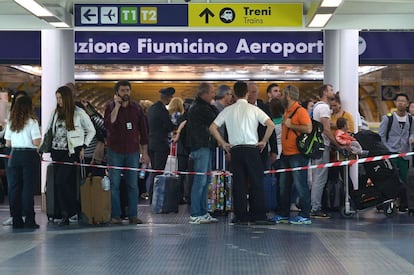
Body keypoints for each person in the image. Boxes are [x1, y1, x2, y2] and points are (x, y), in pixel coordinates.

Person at [210, 81, 274, 225]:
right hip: (252, 150)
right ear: (246, 93)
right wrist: (263, 141)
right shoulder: (254, 109)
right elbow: (270, 124)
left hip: (236, 150)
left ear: (234, 94)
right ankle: (258, 215)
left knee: (239, 184)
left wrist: (223, 143)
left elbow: (213, 127)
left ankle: (241, 216)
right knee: (256, 183)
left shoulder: (228, 110)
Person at [45, 86, 96, 226]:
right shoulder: (55, 113)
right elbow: (50, 130)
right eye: (57, 98)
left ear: (66, 98)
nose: (59, 101)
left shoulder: (79, 113)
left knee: (62, 181)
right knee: (59, 183)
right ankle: (65, 213)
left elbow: (91, 130)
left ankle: (71, 211)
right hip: (56, 152)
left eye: (60, 98)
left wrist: (83, 146)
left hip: (71, 152)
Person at [104, 80, 150, 225]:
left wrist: (145, 153)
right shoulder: (109, 107)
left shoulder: (136, 108)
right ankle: (116, 215)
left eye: (127, 90)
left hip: (132, 151)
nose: (126, 93)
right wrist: (117, 106)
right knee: (115, 184)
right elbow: (109, 125)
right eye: (123, 90)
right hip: (114, 151)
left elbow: (143, 131)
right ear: (117, 92)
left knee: (132, 184)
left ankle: (132, 215)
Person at [269, 85, 312, 224]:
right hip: (286, 155)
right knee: (283, 186)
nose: (280, 97)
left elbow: (308, 128)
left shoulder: (300, 111)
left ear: (288, 95)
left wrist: (291, 125)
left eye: (283, 94)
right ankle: (283, 213)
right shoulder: (287, 111)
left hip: (297, 155)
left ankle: (305, 214)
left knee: (301, 185)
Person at [4, 95, 41, 229]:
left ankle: (16, 219)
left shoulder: (11, 122)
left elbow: (7, 143)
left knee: (14, 189)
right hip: (29, 156)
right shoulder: (32, 122)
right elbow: (37, 142)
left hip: (14, 157)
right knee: (27, 189)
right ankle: (30, 220)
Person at [186, 83, 219, 224]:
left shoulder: (200, 106)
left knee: (205, 181)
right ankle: (195, 213)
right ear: (204, 94)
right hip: (200, 147)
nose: (213, 95)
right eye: (211, 92)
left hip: (205, 146)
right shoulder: (200, 108)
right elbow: (217, 118)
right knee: (200, 181)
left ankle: (203, 212)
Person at [378, 93, 414, 212]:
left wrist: (411, 138)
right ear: (395, 103)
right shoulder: (387, 118)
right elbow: (381, 136)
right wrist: (386, 149)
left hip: (404, 154)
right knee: (391, 179)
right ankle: (389, 203)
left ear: (407, 104)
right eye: (399, 101)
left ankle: (404, 204)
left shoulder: (411, 119)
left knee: (405, 179)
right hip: (391, 153)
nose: (401, 103)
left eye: (403, 101)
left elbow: (412, 132)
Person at [310, 84, 340, 218]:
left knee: (317, 177)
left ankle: (314, 205)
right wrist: (336, 143)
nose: (332, 92)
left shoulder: (317, 106)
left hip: (316, 145)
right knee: (320, 178)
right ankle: (315, 208)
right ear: (324, 92)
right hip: (322, 146)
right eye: (331, 90)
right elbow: (326, 129)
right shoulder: (323, 108)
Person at [2, 90, 28, 226]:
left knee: (24, 185)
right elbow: (7, 138)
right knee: (13, 185)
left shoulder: (30, 119)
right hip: (11, 152)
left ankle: (24, 213)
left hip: (23, 152)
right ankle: (15, 214)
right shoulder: (10, 117)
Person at [147, 87, 176, 202]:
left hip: (151, 143)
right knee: (158, 172)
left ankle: (151, 195)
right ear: (168, 97)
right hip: (160, 144)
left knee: (154, 170)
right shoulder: (163, 110)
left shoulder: (152, 108)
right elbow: (169, 126)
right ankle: (155, 197)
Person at [247, 82, 278, 169]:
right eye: (249, 92)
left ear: (258, 93)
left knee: (262, 177)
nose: (251, 95)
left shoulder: (264, 108)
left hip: (261, 149)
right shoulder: (239, 108)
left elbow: (271, 129)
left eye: (253, 92)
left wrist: (274, 150)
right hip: (244, 149)